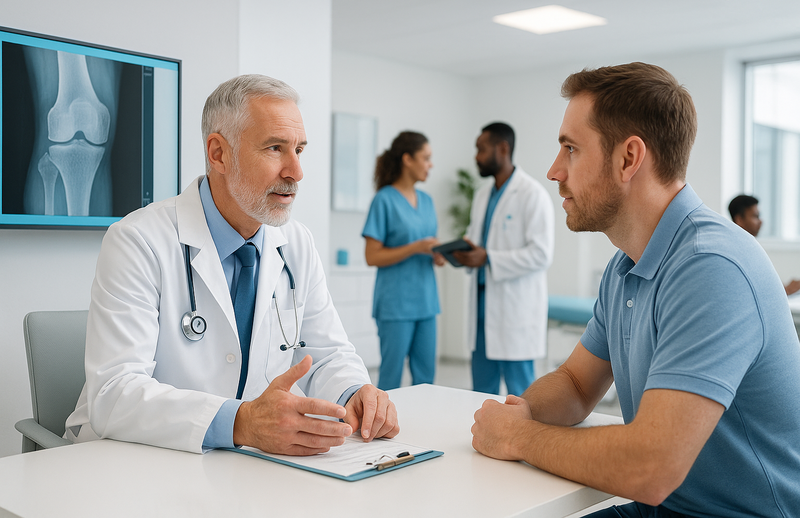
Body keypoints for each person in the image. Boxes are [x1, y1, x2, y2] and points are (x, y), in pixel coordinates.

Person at [471, 62, 800, 516]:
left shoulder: (711, 266)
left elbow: (650, 467)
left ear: (628, 158)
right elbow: (575, 383)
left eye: (570, 149)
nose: (553, 171)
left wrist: (517, 437)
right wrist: (519, 413)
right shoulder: (626, 266)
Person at [65, 74, 399, 455]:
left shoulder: (296, 244)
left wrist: (356, 391)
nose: (295, 172)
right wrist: (241, 421)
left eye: (299, 150)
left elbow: (328, 354)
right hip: (128, 458)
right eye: (275, 148)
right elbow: (114, 395)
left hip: (239, 464)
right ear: (219, 153)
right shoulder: (138, 240)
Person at [452, 122, 554, 397]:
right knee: (480, 394)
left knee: (521, 395)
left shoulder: (533, 195)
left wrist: (488, 258)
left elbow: (541, 254)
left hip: (515, 312)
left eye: (481, 149)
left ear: (503, 148)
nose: (476, 156)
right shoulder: (483, 193)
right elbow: (476, 239)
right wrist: (461, 252)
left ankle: (526, 441)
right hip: (483, 308)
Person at [362, 131, 444, 390]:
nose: (430, 164)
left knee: (426, 376)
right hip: (395, 304)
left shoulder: (428, 201)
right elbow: (371, 256)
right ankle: (380, 428)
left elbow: (428, 245)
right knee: (391, 376)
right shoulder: (384, 200)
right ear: (407, 159)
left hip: (426, 301)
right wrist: (415, 247)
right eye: (426, 158)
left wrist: (440, 254)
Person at [728, 194, 800, 295]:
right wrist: (786, 290)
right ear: (739, 219)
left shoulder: (749, 247)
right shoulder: (737, 251)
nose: (761, 221)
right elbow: (753, 291)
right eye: (755, 216)